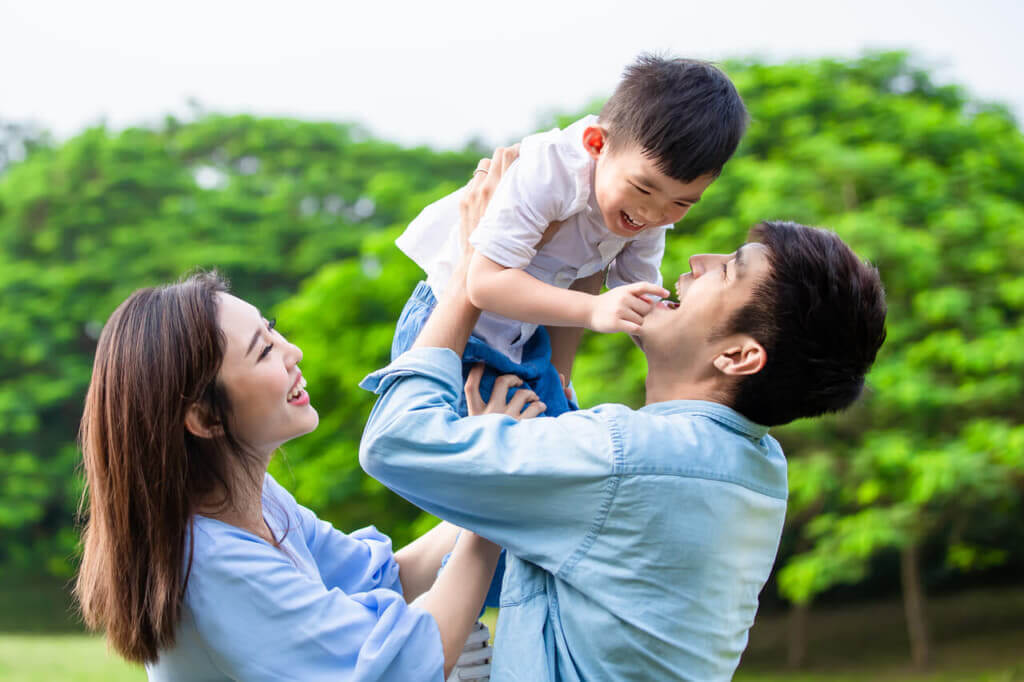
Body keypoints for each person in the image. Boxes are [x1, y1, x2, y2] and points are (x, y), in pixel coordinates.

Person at [359, 149, 888, 680]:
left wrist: (473, 269)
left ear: (738, 356)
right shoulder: (754, 466)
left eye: (727, 271)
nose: (696, 262)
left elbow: (396, 442)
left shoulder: (631, 458)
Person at [73, 268, 540, 680]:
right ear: (205, 418)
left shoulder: (256, 503)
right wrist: (490, 488)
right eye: (262, 352)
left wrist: (486, 459)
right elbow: (404, 665)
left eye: (271, 331)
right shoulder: (213, 568)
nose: (291, 351)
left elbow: (383, 576)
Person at [392, 54, 748, 416]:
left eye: (682, 202)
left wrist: (700, 342)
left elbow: (638, 295)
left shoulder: (646, 210)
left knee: (557, 425)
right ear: (597, 144)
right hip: (453, 329)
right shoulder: (550, 171)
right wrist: (594, 310)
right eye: (642, 189)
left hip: (525, 339)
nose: (653, 214)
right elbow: (483, 283)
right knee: (471, 444)